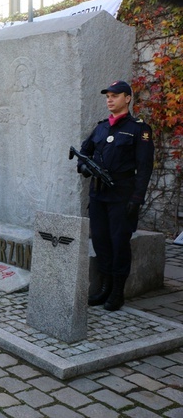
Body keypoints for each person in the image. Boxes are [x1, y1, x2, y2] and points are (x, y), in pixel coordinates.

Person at [77, 80, 154, 311]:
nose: (110, 99)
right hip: (98, 195)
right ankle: (104, 287)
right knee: (101, 242)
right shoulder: (101, 127)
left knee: (119, 243)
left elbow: (145, 168)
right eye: (107, 96)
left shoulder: (139, 129)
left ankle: (117, 291)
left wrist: (136, 199)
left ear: (127, 98)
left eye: (115, 95)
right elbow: (84, 154)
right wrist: (84, 168)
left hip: (122, 196)